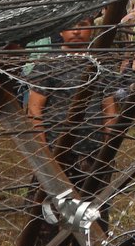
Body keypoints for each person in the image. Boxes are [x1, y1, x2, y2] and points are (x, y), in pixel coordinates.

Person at [25, 16, 120, 195]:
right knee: (49, 203)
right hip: (57, 150)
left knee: (92, 205)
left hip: (93, 151)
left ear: (91, 29)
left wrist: (109, 147)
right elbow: (34, 108)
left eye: (82, 25)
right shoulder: (48, 63)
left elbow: (109, 108)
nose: (76, 31)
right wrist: (44, 151)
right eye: (71, 26)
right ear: (61, 31)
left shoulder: (101, 63)